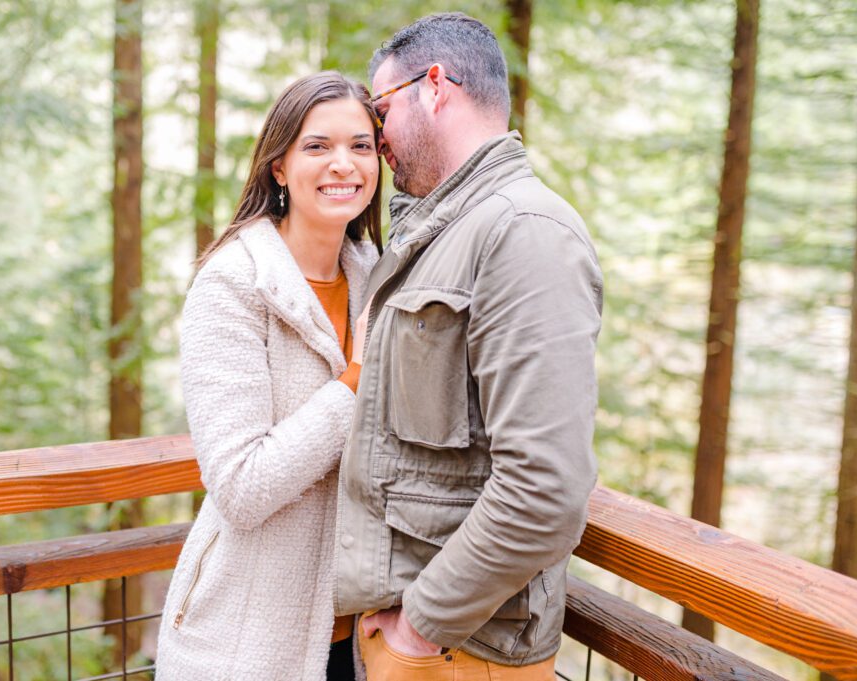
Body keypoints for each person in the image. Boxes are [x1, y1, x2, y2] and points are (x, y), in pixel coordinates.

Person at [335, 13, 604, 681]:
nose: (376, 136)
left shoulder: (526, 232)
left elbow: (545, 487)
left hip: (460, 652)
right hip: (414, 641)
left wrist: (420, 625)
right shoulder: (446, 230)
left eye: (380, 110)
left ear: (435, 87)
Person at [155, 71, 382, 681]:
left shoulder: (378, 278)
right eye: (318, 146)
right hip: (246, 642)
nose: (344, 164)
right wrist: (355, 379)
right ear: (278, 167)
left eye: (361, 146)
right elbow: (241, 485)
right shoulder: (230, 285)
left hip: (363, 638)